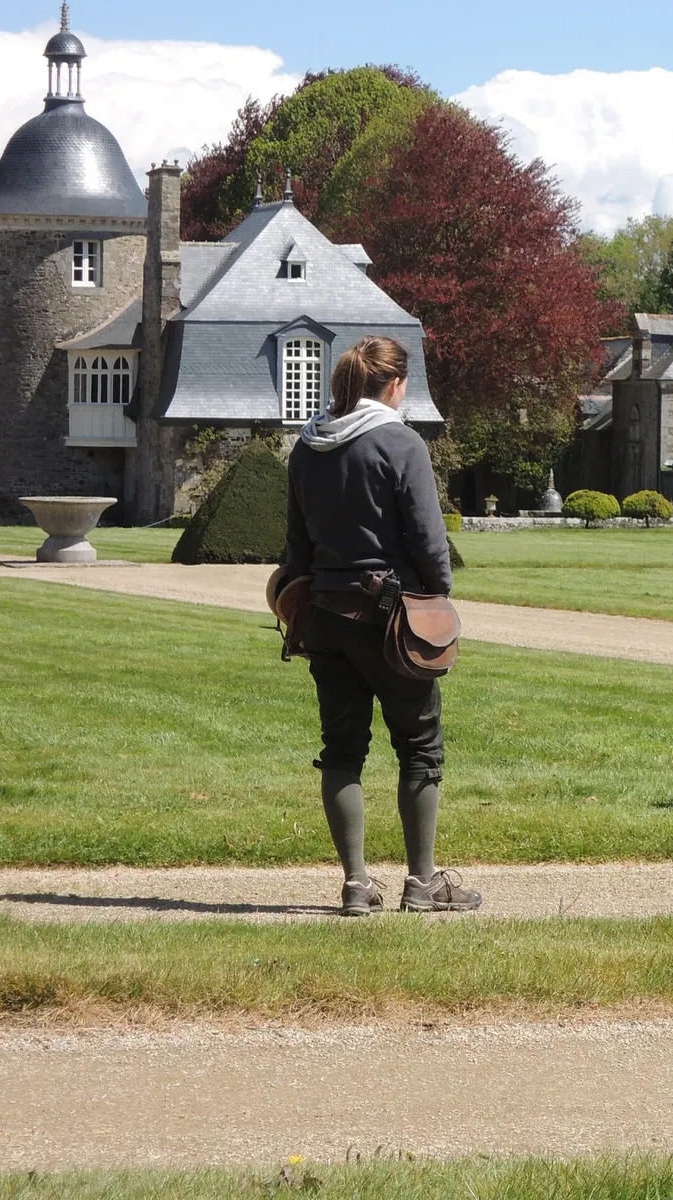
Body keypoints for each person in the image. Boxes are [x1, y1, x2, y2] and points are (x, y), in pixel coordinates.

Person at [283, 334, 481, 917]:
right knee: (420, 749)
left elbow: (295, 549)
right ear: (395, 385)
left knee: (342, 749)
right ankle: (422, 883)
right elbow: (429, 542)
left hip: (324, 616)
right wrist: (436, 596)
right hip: (392, 619)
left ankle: (355, 885)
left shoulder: (307, 445)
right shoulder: (400, 443)